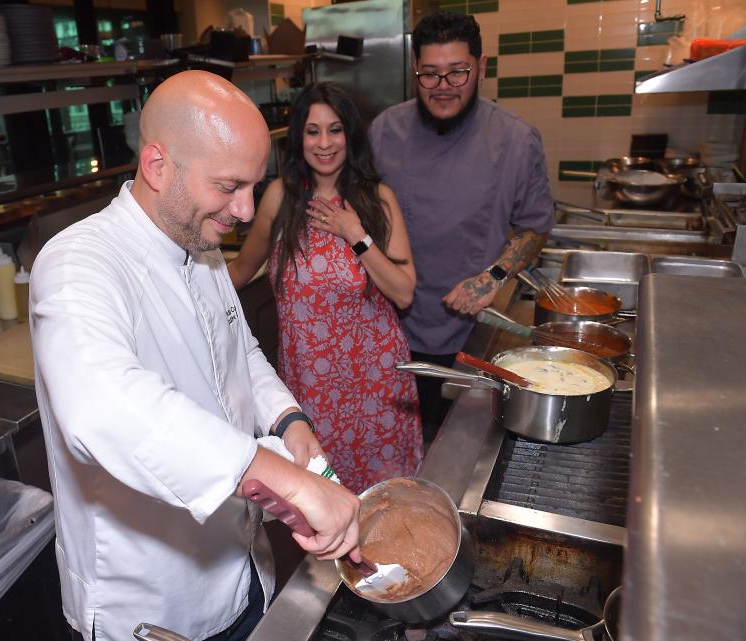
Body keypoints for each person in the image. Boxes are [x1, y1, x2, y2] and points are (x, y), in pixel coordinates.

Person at [30, 71, 361, 641]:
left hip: (244, 571)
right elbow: (100, 404)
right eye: (230, 186)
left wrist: (288, 420)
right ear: (158, 166)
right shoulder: (78, 262)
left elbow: (243, 350)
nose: (245, 208)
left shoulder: (199, 246)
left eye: (254, 186)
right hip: (155, 604)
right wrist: (289, 480)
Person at [229, 82, 422, 495]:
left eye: (335, 130)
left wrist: (356, 234)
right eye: (313, 131)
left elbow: (404, 292)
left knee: (382, 502)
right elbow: (241, 271)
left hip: (375, 385)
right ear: (299, 138)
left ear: (350, 136)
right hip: (310, 389)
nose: (324, 143)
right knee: (319, 500)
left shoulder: (376, 199)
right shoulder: (281, 199)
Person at [369, 11, 554, 442]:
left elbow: (534, 228)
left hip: (472, 333)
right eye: (430, 74)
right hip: (391, 330)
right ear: (414, 71)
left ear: (482, 66)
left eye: (458, 72)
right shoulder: (383, 132)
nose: (444, 87)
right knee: (399, 451)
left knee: (460, 452)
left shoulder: (515, 140)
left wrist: (492, 277)